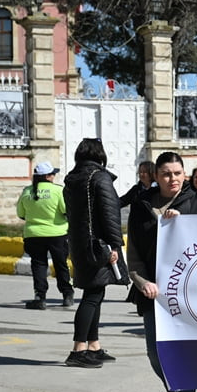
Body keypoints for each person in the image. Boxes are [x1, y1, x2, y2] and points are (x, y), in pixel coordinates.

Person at [127, 151, 197, 392]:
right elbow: (133, 254)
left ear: (184, 174)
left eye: (177, 173)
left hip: (190, 297)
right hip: (154, 295)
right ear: (156, 177)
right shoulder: (141, 207)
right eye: (166, 174)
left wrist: (184, 224)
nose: (172, 178)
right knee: (154, 353)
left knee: (186, 356)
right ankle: (172, 388)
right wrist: (141, 281)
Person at [63, 139, 124, 369]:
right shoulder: (99, 177)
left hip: (79, 244)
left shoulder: (72, 178)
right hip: (99, 245)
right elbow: (110, 213)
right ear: (100, 155)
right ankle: (78, 349)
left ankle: (94, 346)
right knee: (92, 295)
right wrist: (115, 245)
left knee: (95, 293)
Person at [17, 162, 73, 310]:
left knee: (39, 265)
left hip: (33, 235)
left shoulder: (27, 191)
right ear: (48, 176)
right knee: (60, 264)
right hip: (57, 234)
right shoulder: (58, 191)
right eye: (52, 174)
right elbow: (65, 210)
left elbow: (21, 214)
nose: (54, 176)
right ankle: (67, 294)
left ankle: (40, 297)